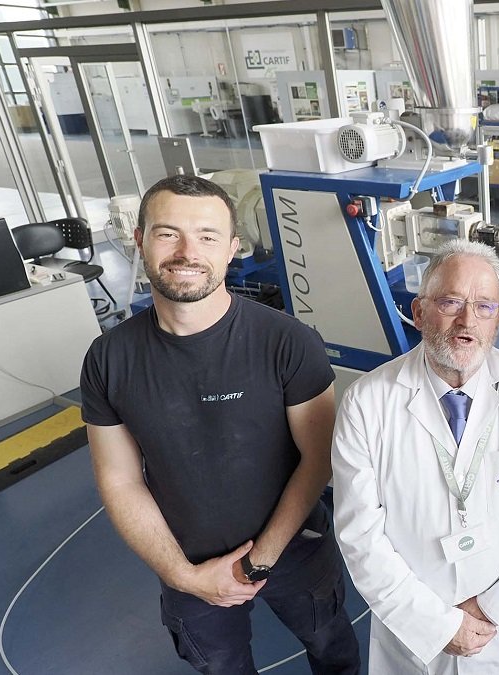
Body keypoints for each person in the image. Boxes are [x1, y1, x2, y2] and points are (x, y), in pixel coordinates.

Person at [80, 175, 361, 675]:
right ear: (139, 240)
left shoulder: (288, 342)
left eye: (207, 236)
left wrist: (257, 562)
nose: (188, 251)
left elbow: (319, 460)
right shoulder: (109, 358)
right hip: (186, 562)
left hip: (295, 548)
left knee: (330, 645)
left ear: (232, 248)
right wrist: (183, 576)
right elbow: (119, 480)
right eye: (168, 233)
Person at [331, 239, 499, 673]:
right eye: (451, 301)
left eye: (484, 306)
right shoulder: (367, 402)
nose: (467, 320)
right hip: (414, 631)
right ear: (419, 312)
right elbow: (358, 534)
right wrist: (433, 623)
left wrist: (494, 607)